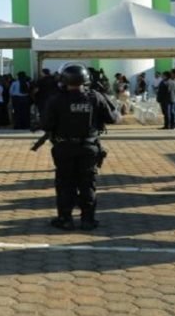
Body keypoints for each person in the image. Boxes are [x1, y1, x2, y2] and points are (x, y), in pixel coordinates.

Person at [35, 64, 118, 231]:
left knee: (65, 183)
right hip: (89, 147)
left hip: (64, 147)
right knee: (87, 183)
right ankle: (88, 220)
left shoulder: (56, 98)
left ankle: (65, 219)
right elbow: (112, 118)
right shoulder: (95, 97)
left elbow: (45, 124)